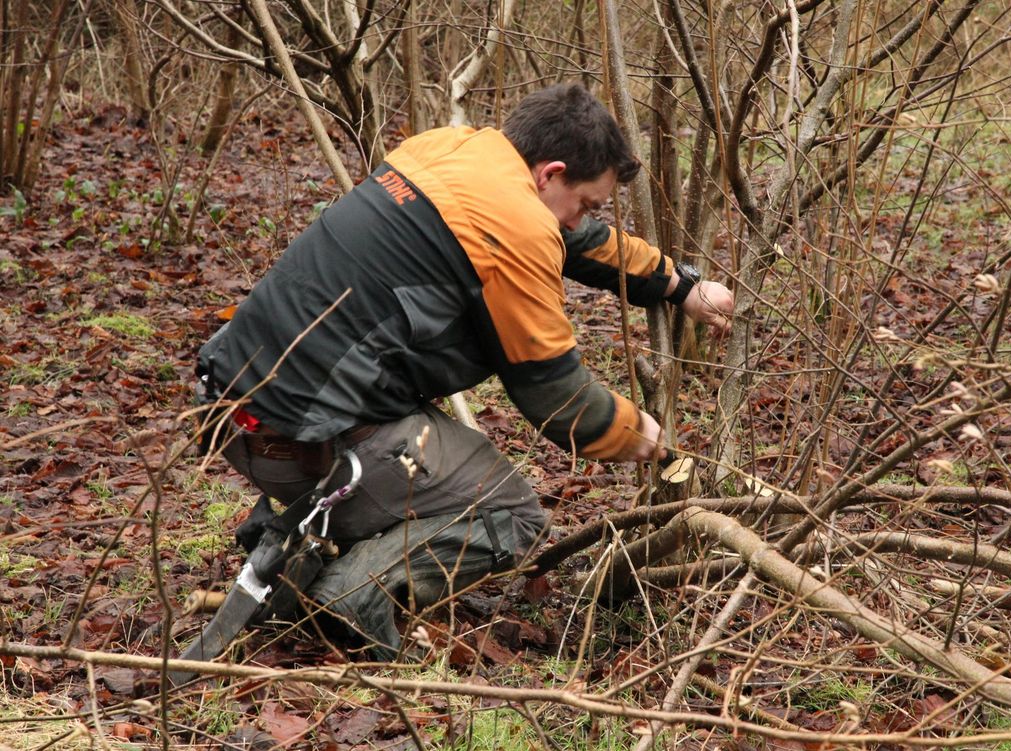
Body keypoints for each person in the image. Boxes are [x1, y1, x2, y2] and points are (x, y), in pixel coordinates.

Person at [195, 83, 734, 657]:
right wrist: (634, 433)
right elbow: (556, 399)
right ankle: (349, 591)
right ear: (549, 174)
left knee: (436, 455)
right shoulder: (518, 227)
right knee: (512, 514)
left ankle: (311, 541)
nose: (582, 220)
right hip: (297, 438)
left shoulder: (451, 152)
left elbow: (577, 238)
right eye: (587, 203)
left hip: (226, 403)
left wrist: (679, 284)